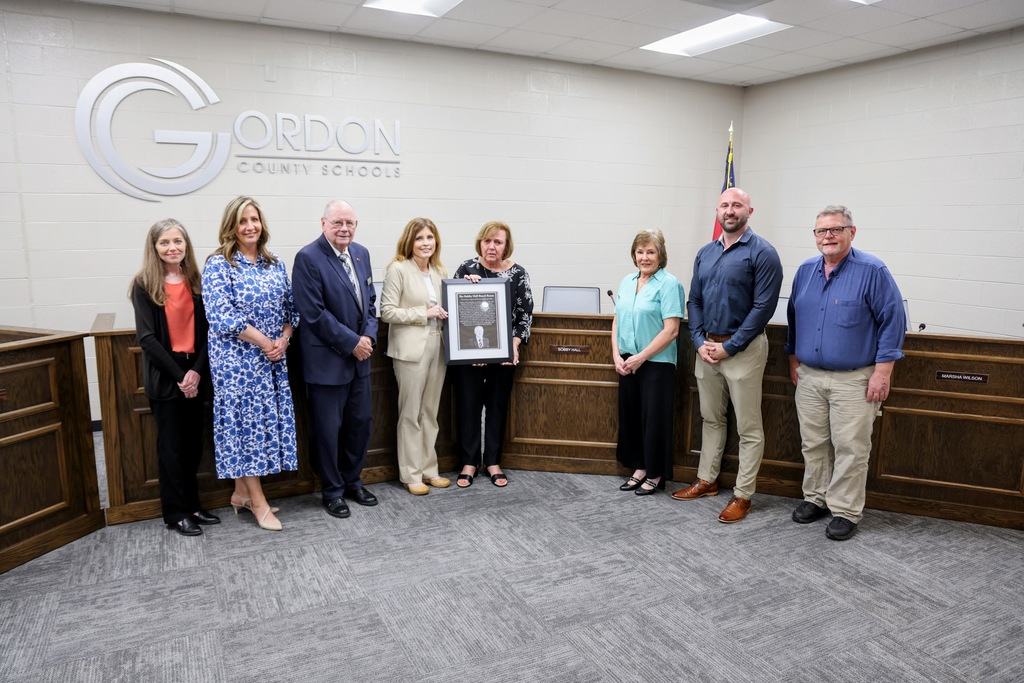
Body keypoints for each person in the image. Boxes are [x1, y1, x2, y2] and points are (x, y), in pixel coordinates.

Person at [786, 205, 906, 540]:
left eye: (836, 229)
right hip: (809, 377)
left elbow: (893, 323)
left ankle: (845, 510)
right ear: (815, 236)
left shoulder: (873, 271)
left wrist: (883, 373)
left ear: (852, 232)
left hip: (855, 379)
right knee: (814, 444)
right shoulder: (805, 271)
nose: (828, 236)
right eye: (822, 231)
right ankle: (816, 498)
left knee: (851, 447)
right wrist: (794, 360)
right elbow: (794, 319)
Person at [672, 187, 783, 523]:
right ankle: (706, 480)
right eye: (724, 205)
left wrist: (729, 346)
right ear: (717, 211)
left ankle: (743, 495)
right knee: (711, 418)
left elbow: (763, 307)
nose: (730, 210)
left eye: (737, 205)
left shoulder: (763, 253)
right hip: (707, 349)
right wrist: (698, 339)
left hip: (744, 351)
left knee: (748, 427)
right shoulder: (705, 253)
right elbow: (694, 301)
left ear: (750, 211)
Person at [202, 196, 298, 532]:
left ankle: (241, 493)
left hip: (272, 360)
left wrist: (283, 340)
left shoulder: (275, 264)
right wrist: (264, 342)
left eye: (254, 219)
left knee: (261, 427)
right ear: (231, 226)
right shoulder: (219, 265)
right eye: (242, 221)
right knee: (245, 429)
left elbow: (292, 310)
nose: (250, 226)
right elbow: (221, 316)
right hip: (236, 363)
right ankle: (258, 503)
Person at [130, 219, 220, 537]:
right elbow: (147, 338)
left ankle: (193, 506)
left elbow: (210, 331)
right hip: (168, 379)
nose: (173, 248)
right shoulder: (143, 285)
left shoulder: (196, 279)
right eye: (165, 243)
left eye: (178, 241)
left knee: (194, 447)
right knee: (171, 450)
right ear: (154, 248)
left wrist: (195, 371)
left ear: (186, 245)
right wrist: (182, 376)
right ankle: (175, 512)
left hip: (196, 373)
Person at [292, 199, 379, 518]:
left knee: (360, 425)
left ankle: (353, 482)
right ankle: (332, 491)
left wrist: (367, 338)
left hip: (360, 361)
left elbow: (370, 301)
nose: (344, 228)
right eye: (338, 223)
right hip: (327, 363)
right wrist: (352, 343)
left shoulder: (362, 253)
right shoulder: (308, 258)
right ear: (323, 223)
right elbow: (314, 314)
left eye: (350, 223)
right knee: (328, 431)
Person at [453, 221, 533, 488]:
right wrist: (463, 287)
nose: (492, 246)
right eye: (487, 241)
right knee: (469, 406)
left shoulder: (518, 273)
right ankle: (469, 461)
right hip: (470, 356)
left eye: (498, 242)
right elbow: (454, 310)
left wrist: (514, 344)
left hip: (503, 354)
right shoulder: (467, 269)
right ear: (480, 243)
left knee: (497, 406)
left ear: (505, 246)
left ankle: (493, 461)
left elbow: (524, 315)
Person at [380, 217, 451, 496]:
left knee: (430, 412)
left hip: (438, 346)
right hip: (410, 350)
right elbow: (387, 312)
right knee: (411, 414)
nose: (425, 243)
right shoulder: (398, 269)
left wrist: (468, 286)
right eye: (420, 238)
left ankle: (429, 469)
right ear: (410, 241)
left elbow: (450, 306)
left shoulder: (439, 270)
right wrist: (424, 314)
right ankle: (411, 474)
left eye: (430, 238)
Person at [612, 229, 684, 496]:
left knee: (654, 419)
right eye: (640, 252)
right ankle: (639, 468)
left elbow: (672, 329)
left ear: (660, 255)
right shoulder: (627, 281)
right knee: (631, 417)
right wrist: (617, 356)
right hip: (628, 362)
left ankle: (655, 473)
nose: (644, 257)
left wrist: (641, 358)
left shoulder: (669, 284)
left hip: (657, 363)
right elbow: (617, 320)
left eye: (650, 252)